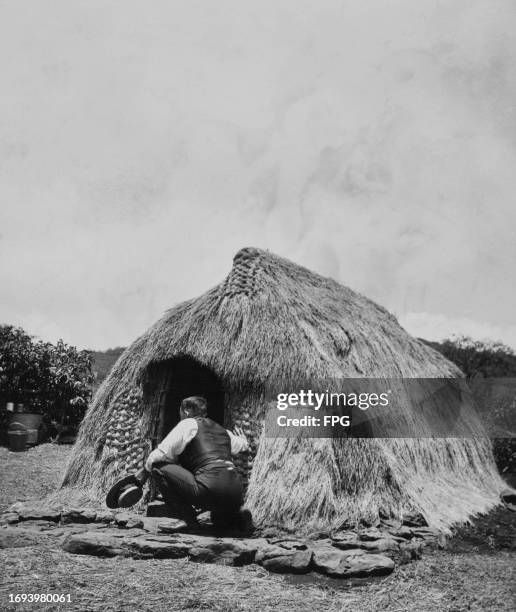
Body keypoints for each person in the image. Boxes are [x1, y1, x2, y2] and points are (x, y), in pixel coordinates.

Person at [145, 395, 251, 529]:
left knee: (158, 468)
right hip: (236, 492)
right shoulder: (223, 430)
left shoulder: (187, 424)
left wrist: (145, 471)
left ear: (186, 412)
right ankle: (235, 514)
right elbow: (243, 445)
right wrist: (243, 439)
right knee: (219, 520)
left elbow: (158, 456)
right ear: (205, 413)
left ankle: (188, 519)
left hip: (209, 489)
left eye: (180, 412)